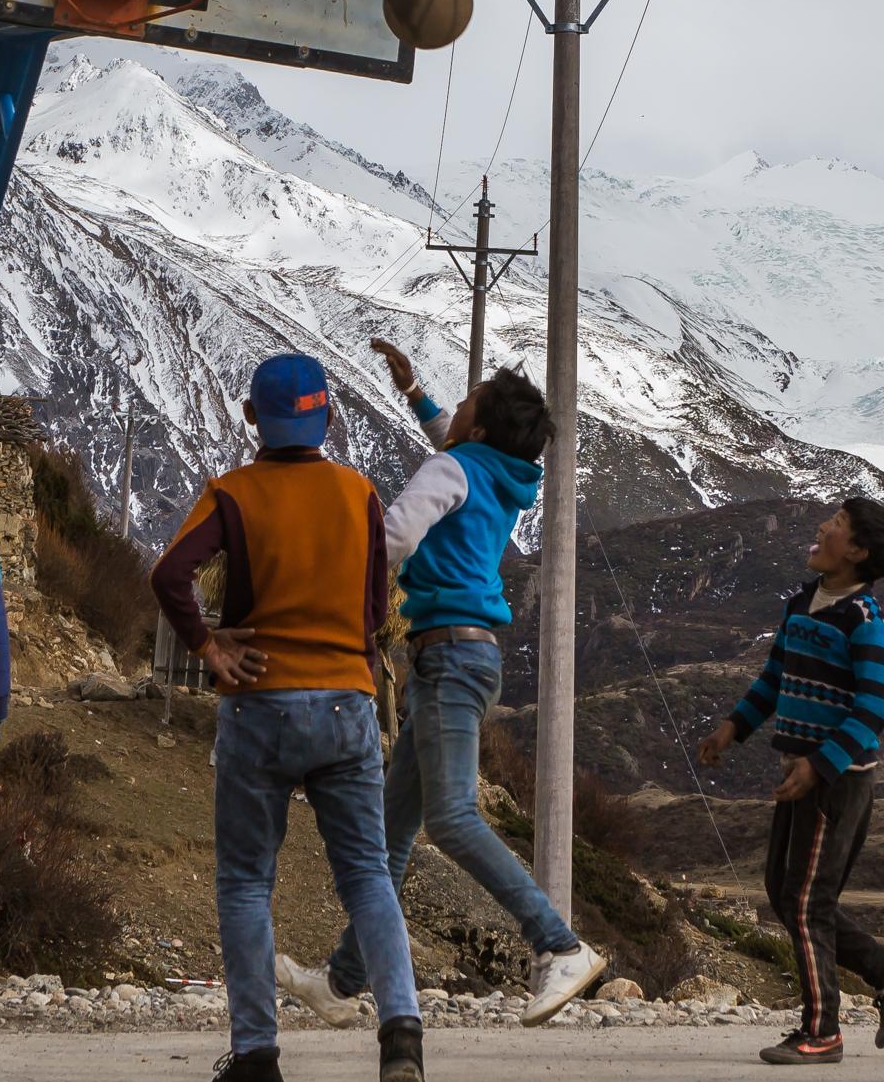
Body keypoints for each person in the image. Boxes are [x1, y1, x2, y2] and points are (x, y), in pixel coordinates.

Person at [277, 340, 607, 1030]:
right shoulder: (500, 473)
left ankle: (560, 944)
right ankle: (341, 984)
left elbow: (394, 534)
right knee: (389, 835)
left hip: (447, 660)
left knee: (453, 817)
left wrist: (332, 585)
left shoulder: (454, 466)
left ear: (479, 427)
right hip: (462, 659)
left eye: (466, 401)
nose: (454, 406)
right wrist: (416, 394)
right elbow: (456, 454)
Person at [151, 353, 427, 1082]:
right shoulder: (358, 493)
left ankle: (257, 1057)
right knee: (368, 874)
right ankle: (402, 1037)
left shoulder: (232, 494)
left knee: (246, 882)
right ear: (326, 416)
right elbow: (375, 613)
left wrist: (208, 645)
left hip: (260, 705)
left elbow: (169, 573)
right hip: (345, 703)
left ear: (252, 418)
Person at [697, 496, 884, 1066]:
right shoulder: (802, 605)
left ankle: (823, 1029)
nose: (822, 529)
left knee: (805, 901)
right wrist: (733, 728)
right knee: (789, 895)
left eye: (836, 525)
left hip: (836, 781)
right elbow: (775, 678)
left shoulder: (867, 625)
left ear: (856, 551)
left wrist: (817, 765)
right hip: (802, 774)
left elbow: (872, 711)